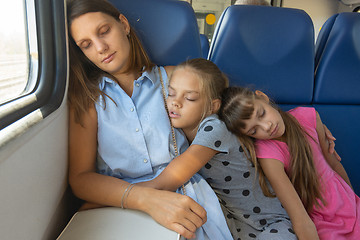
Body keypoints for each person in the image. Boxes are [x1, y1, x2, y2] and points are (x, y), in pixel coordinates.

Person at [66, 0, 232, 239]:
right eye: (86, 44)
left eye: (104, 31)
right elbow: (81, 179)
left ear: (123, 24)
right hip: (120, 201)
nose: (101, 47)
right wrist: (143, 198)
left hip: (184, 193)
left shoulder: (175, 78)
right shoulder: (88, 100)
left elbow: (220, 114)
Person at [137, 58, 298, 240]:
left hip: (271, 224)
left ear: (213, 106)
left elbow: (169, 179)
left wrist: (122, 195)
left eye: (189, 98)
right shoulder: (182, 132)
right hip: (238, 228)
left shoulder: (214, 128)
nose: (176, 103)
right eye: (171, 94)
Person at [218, 86, 360, 240]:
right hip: (323, 221)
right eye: (254, 131)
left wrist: (354, 199)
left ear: (263, 97)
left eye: (262, 114)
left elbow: (334, 165)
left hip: (350, 204)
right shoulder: (268, 155)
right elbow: (299, 216)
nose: (267, 127)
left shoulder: (308, 116)